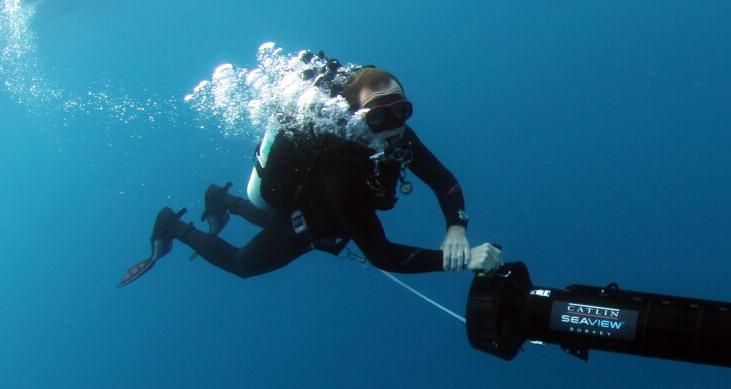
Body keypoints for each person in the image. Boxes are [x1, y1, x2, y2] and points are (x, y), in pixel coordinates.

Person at [119, 65, 501, 286]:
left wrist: (457, 227)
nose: (394, 126)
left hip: (312, 205)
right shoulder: (342, 174)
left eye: (402, 110)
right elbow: (381, 254)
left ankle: (220, 200)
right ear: (354, 117)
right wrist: (459, 260)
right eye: (379, 117)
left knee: (275, 217)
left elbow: (443, 179)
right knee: (243, 265)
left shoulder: (398, 135)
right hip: (317, 215)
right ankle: (173, 226)